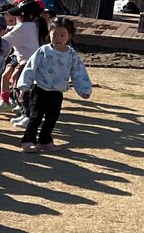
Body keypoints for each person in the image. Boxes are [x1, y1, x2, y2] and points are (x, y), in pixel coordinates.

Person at [17, 17, 92, 152]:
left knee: (52, 118)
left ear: (69, 36)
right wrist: (24, 86)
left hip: (57, 91)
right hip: (40, 89)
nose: (58, 38)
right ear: (49, 34)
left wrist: (84, 90)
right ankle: (28, 140)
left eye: (62, 35)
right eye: (54, 34)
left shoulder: (71, 54)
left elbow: (78, 72)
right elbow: (30, 67)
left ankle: (45, 141)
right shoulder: (43, 51)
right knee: (36, 117)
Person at [1, 0, 49, 127]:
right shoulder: (35, 25)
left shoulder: (23, 27)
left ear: (29, 16)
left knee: (23, 89)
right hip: (32, 62)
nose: (17, 17)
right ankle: (25, 113)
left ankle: (29, 116)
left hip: (29, 63)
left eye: (19, 15)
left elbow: (4, 41)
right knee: (19, 86)